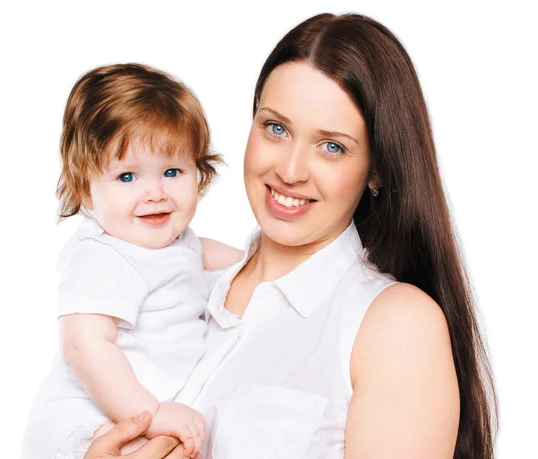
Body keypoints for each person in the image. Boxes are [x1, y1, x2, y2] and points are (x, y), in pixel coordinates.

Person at [86, 12, 498, 459]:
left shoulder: (394, 325)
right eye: (276, 128)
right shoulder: (175, 280)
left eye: (332, 146)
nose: (290, 170)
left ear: (377, 168)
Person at [21, 63, 243, 459]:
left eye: (172, 171)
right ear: (85, 190)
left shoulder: (178, 243)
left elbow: (207, 256)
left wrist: (260, 258)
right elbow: (84, 345)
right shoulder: (102, 256)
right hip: (89, 422)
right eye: (127, 177)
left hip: (137, 418)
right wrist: (151, 413)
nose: (155, 192)